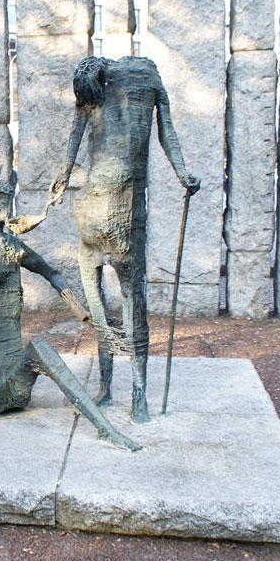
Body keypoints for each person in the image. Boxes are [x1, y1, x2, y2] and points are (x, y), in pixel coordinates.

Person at [0, 181, 140, 451]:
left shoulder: (13, 246)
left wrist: (81, 313)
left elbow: (51, 272)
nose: (0, 206)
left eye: (5, 200)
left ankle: (106, 429)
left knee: (39, 348)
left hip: (14, 389)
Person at [48, 56, 199, 424]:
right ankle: (112, 388)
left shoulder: (142, 78)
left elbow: (165, 131)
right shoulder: (105, 82)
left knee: (128, 300)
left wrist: (182, 173)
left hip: (122, 210)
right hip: (98, 208)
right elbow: (77, 134)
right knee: (106, 300)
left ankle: (135, 391)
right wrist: (62, 179)